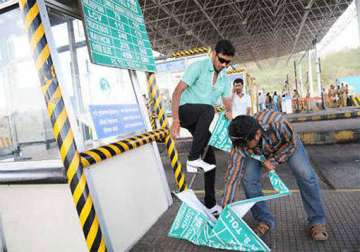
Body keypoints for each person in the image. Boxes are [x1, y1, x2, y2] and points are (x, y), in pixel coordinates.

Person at [222, 111, 328, 241]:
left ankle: (317, 221)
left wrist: (273, 160)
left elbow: (292, 143)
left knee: (305, 174)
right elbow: (231, 178)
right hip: (259, 151)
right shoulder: (240, 143)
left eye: (245, 146)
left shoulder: (278, 123)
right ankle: (264, 220)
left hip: (287, 145)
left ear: (257, 135)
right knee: (248, 179)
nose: (242, 149)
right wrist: (225, 211)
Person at [171, 39, 235, 215]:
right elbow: (177, 92)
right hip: (185, 112)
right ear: (213, 54)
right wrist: (176, 119)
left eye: (227, 62)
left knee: (210, 159)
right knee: (208, 109)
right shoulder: (198, 67)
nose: (223, 65)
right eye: (221, 60)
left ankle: (210, 203)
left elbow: (228, 105)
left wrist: (230, 116)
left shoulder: (224, 79)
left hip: (200, 121)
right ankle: (192, 158)